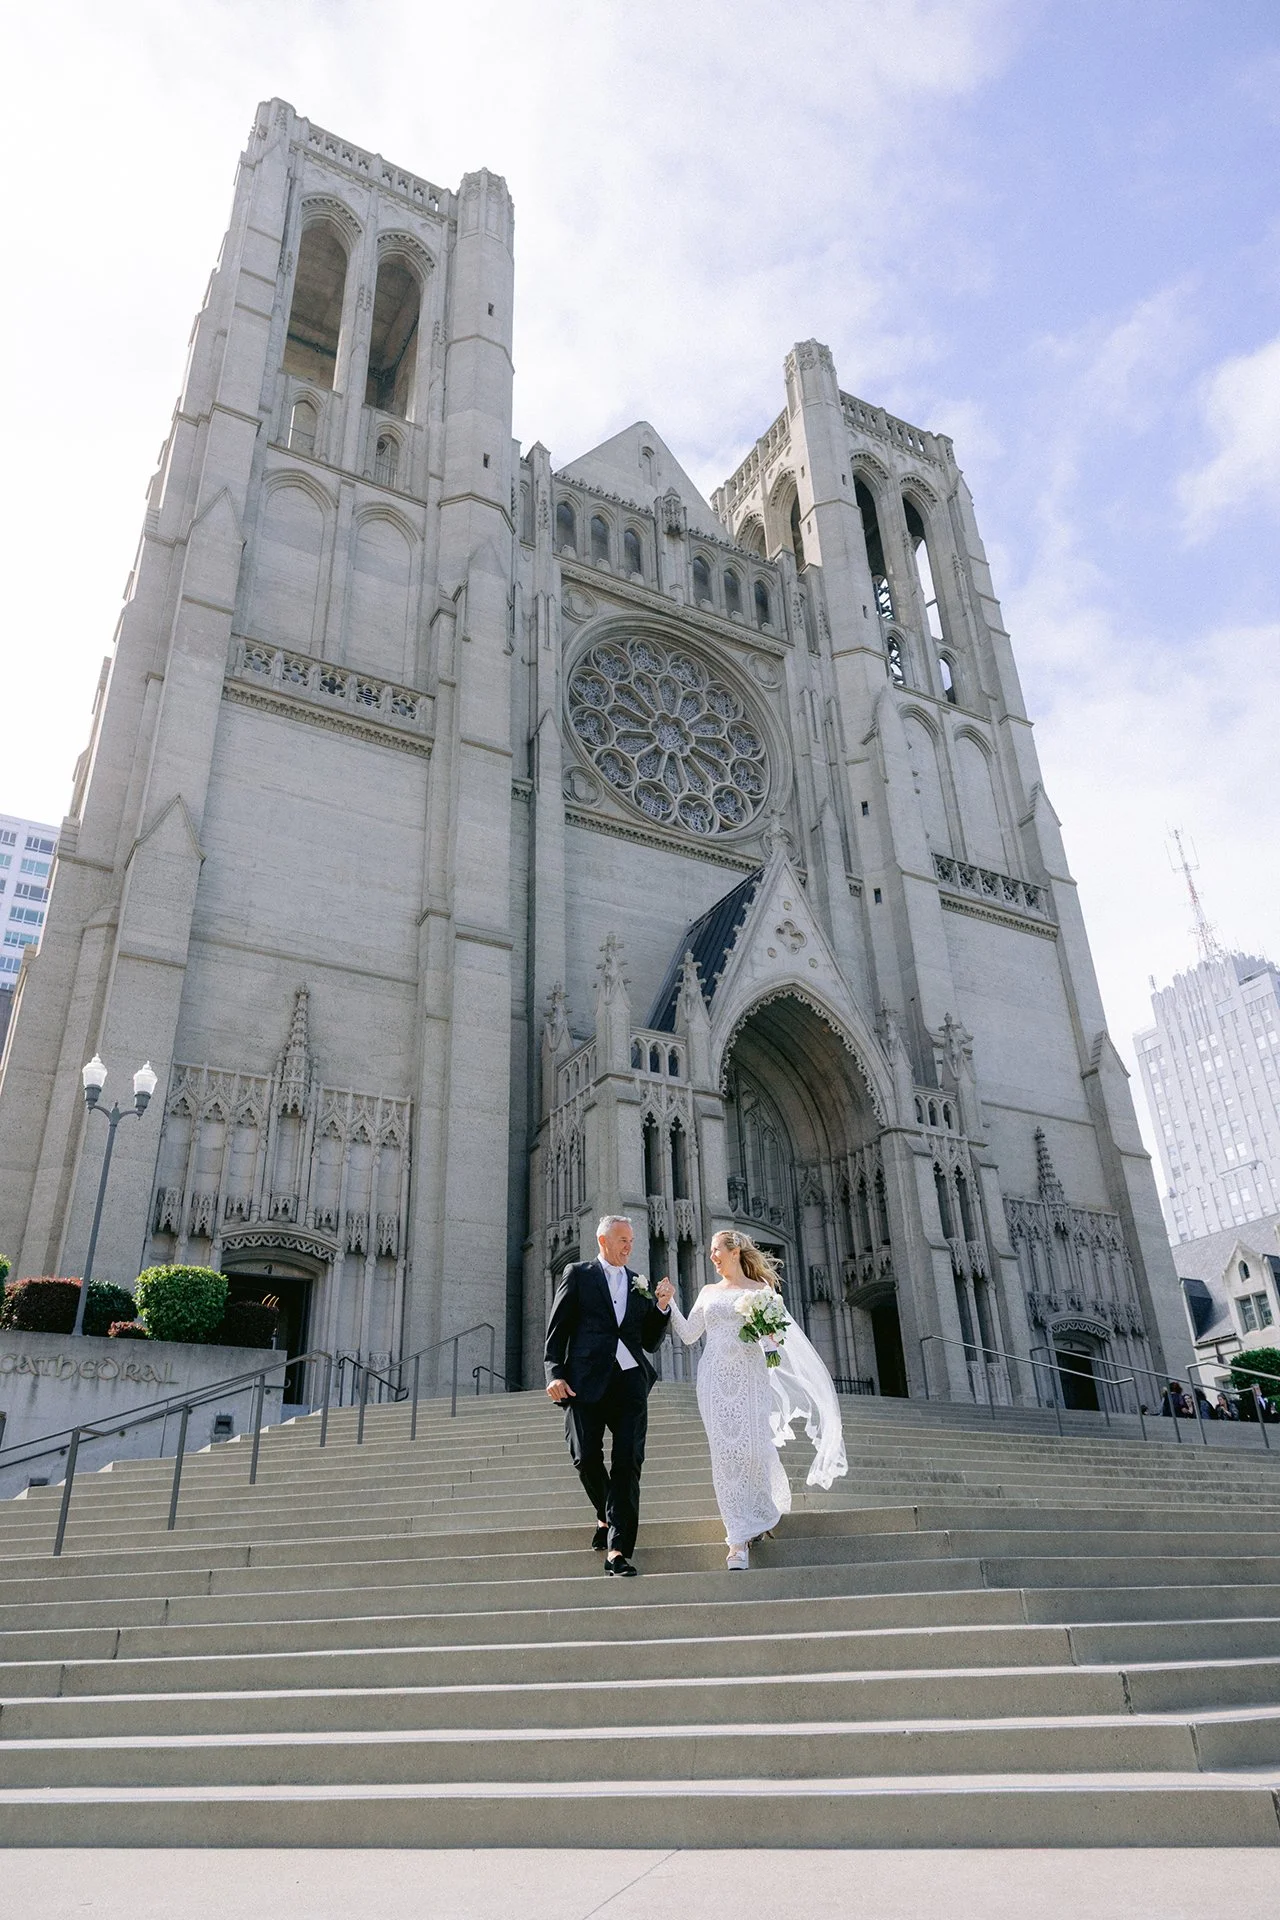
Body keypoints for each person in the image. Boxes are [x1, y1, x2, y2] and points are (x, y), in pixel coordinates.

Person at [657, 1228, 847, 1571]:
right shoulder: (708, 1292)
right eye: (711, 1250)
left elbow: (775, 1341)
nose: (712, 1256)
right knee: (726, 1453)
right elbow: (688, 1336)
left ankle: (756, 1516)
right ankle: (736, 1538)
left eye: (716, 1250)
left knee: (754, 1448)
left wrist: (770, 1336)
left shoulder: (762, 1291)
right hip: (714, 1377)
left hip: (751, 1377)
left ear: (734, 1251)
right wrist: (668, 1303)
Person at [544, 1214, 671, 1577]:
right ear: (603, 1241)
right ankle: (606, 1514)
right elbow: (558, 1328)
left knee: (628, 1462)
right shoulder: (579, 1274)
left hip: (630, 1384)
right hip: (584, 1381)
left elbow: (648, 1340)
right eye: (622, 1240)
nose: (628, 1247)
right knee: (584, 1457)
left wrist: (660, 1307)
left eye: (631, 1240)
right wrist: (554, 1373)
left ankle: (618, 1549)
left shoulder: (638, 1283)